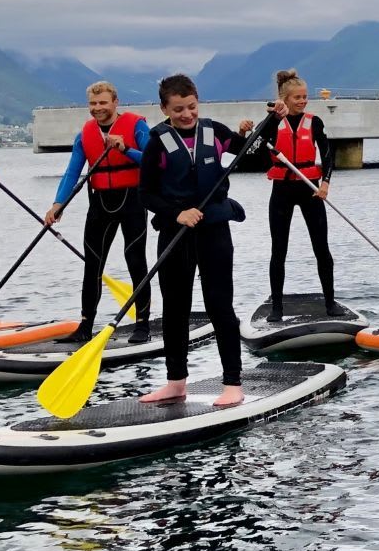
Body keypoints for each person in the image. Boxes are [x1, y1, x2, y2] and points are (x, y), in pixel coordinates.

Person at [140, 74, 255, 408]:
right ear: (164, 108)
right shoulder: (158, 143)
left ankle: (232, 383)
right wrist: (177, 213)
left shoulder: (214, 131)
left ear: (197, 101)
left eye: (191, 107)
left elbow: (247, 151)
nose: (187, 114)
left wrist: (254, 129)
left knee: (220, 306)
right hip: (176, 234)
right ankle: (176, 382)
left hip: (214, 230)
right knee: (175, 310)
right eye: (178, 109)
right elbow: (146, 193)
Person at [44, 83, 152, 344]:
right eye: (93, 104)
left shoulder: (136, 126)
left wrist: (126, 149)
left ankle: (142, 324)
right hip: (100, 203)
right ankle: (85, 326)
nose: (97, 109)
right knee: (92, 265)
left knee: (134, 260)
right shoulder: (86, 133)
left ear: (115, 102)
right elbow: (72, 171)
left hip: (132, 200)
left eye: (103, 103)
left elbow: (153, 161)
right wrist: (58, 204)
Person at [252, 70, 338, 318]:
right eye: (297, 97)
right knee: (279, 250)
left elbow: (328, 154)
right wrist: (256, 127)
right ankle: (277, 308)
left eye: (304, 96)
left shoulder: (315, 122)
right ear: (285, 99)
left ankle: (330, 303)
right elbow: (256, 150)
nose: (302, 101)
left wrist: (325, 183)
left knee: (321, 247)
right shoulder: (272, 122)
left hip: (310, 188)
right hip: (282, 190)